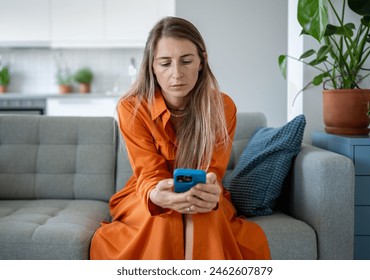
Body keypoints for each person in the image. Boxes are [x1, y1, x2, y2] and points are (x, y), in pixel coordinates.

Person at [90, 16, 270, 260]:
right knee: (164, 216)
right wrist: (157, 195)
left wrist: (207, 192)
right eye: (165, 63)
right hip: (148, 192)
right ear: (151, 66)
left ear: (201, 61)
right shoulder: (131, 108)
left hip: (204, 192)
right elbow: (148, 172)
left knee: (202, 216)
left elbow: (212, 172)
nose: (177, 74)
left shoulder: (222, 107)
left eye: (186, 61)